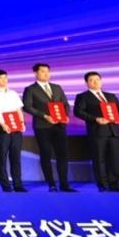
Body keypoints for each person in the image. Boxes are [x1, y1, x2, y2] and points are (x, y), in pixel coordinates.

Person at [21, 63, 74, 192]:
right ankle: (51, 184)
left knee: (63, 155)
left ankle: (64, 184)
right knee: (46, 154)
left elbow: (65, 104)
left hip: (59, 125)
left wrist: (65, 116)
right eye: (43, 71)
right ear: (35, 73)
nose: (46, 74)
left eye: (47, 71)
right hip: (42, 126)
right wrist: (44, 116)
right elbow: (27, 107)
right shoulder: (30, 89)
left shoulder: (57, 87)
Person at [73, 71, 119, 192]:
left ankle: (115, 184)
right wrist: (95, 119)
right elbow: (78, 112)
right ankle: (102, 185)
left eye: (97, 80)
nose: (95, 82)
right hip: (97, 132)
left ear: (101, 81)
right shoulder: (82, 96)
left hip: (114, 131)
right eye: (92, 80)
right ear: (86, 83)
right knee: (99, 159)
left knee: (115, 159)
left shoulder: (110, 96)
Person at [0, 69, 27, 192]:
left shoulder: (13, 93)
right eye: (1, 78)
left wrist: (22, 123)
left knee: (16, 157)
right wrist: (2, 124)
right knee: (2, 157)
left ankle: (18, 184)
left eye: (5, 77)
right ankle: (5, 185)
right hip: (1, 128)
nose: (4, 80)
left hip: (16, 128)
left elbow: (19, 110)